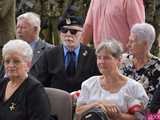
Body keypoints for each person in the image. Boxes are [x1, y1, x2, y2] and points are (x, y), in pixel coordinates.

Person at [76, 40, 148, 120]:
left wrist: (119, 116)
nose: (101, 62)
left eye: (107, 58)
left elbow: (142, 117)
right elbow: (78, 113)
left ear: (119, 60)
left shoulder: (134, 87)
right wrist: (99, 104)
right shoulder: (89, 83)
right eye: (99, 58)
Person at [30, 15, 100, 92]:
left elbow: (98, 82)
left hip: (85, 101)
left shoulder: (93, 55)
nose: (68, 34)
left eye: (73, 31)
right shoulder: (49, 55)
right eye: (64, 30)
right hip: (56, 101)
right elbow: (38, 81)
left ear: (82, 33)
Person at [0, 39, 55, 120]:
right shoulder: (2, 83)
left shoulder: (35, 90)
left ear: (28, 65)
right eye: (7, 61)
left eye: (16, 61)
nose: (10, 65)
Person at [81, 0, 145, 50]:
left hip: (122, 60)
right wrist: (78, 53)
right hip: (100, 58)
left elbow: (139, 33)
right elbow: (88, 26)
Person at [120, 23, 160, 103]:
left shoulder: (157, 67)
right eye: (129, 41)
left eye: (132, 42)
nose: (128, 45)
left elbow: (151, 103)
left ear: (145, 44)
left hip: (140, 113)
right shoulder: (123, 60)